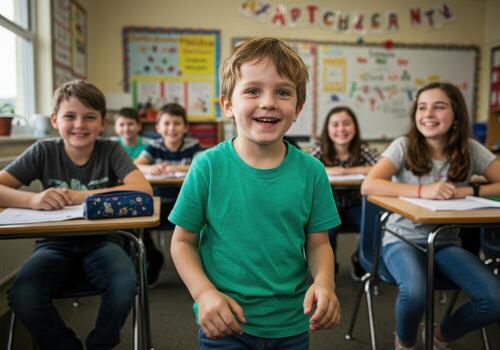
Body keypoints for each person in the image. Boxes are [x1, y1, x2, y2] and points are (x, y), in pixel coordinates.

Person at [169, 37, 341, 349]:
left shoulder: (312, 172)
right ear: (228, 105)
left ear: (297, 108)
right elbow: (182, 242)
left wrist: (324, 282)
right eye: (253, 90)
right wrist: (203, 293)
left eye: (283, 92)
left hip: (291, 323)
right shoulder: (207, 166)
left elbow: (319, 244)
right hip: (223, 320)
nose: (268, 102)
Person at [0, 80, 153, 350]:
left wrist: (80, 196)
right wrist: (33, 199)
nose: (79, 124)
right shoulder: (43, 150)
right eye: (70, 116)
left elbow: (142, 189)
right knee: (23, 294)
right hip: (53, 244)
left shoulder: (110, 150)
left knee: (125, 285)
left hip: (105, 241)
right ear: (55, 120)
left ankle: (100, 345)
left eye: (89, 117)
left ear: (102, 122)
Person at [361, 82, 500, 350]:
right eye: (422, 107)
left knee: (494, 300)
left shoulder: (470, 148)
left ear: (456, 113)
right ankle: (406, 342)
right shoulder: (403, 145)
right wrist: (424, 190)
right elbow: (370, 184)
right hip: (400, 239)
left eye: (439, 107)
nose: (428, 114)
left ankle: (439, 335)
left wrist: (468, 189)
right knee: (415, 293)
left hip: (445, 242)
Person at [135, 102, 203, 287]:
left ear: (185, 127)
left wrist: (175, 167)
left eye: (177, 123)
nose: (171, 128)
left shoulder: (193, 145)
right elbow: (136, 164)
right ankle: (154, 258)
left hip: (188, 202)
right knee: (137, 225)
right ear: (158, 128)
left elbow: (201, 164)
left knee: (207, 221)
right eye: (166, 123)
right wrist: (152, 167)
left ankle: (199, 269)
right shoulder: (154, 146)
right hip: (160, 203)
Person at [311, 106, 378, 280]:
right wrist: (333, 171)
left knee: (372, 224)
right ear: (328, 129)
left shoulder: (363, 149)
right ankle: (329, 267)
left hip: (356, 205)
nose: (341, 129)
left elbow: (380, 168)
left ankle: (360, 259)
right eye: (335, 125)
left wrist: (347, 170)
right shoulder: (320, 150)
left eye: (346, 124)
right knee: (327, 231)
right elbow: (307, 169)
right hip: (329, 206)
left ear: (354, 127)